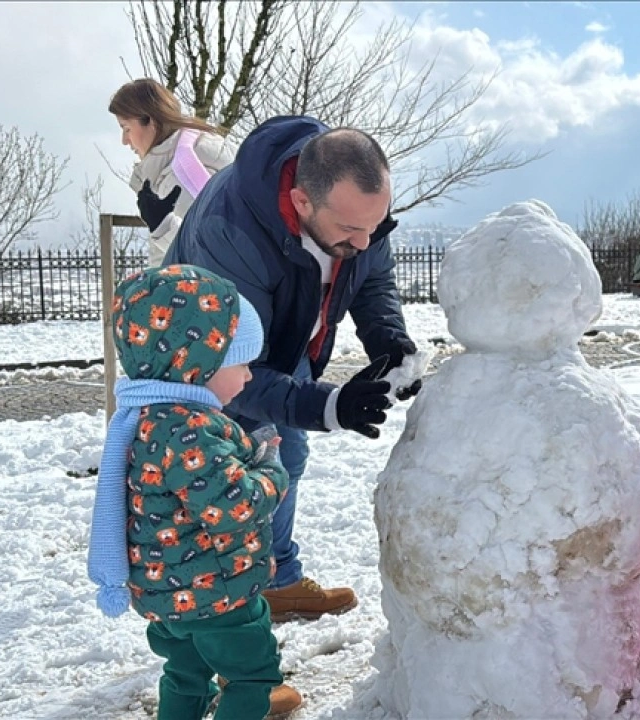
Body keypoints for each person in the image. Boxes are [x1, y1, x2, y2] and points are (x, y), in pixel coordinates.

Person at [165, 117, 421, 622]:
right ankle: (227, 622)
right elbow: (233, 371)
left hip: (285, 332)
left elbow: (373, 279)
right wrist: (325, 404)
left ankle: (278, 580)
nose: (367, 241)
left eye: (378, 226)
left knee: (287, 456)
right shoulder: (231, 230)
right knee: (234, 476)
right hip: (208, 352)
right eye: (351, 230)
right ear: (302, 202)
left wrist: (388, 340)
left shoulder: (356, 212)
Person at [87, 265, 302, 719]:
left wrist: (246, 452)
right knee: (253, 679)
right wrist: (272, 469)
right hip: (217, 595)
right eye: (241, 363)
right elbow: (234, 506)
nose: (247, 377)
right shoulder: (188, 428)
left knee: (186, 678)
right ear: (194, 365)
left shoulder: (146, 416)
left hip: (168, 597)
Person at [109, 78, 235, 267]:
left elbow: (210, 254)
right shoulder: (190, 152)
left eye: (126, 128)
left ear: (150, 121)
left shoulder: (183, 171)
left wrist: (163, 226)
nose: (124, 140)